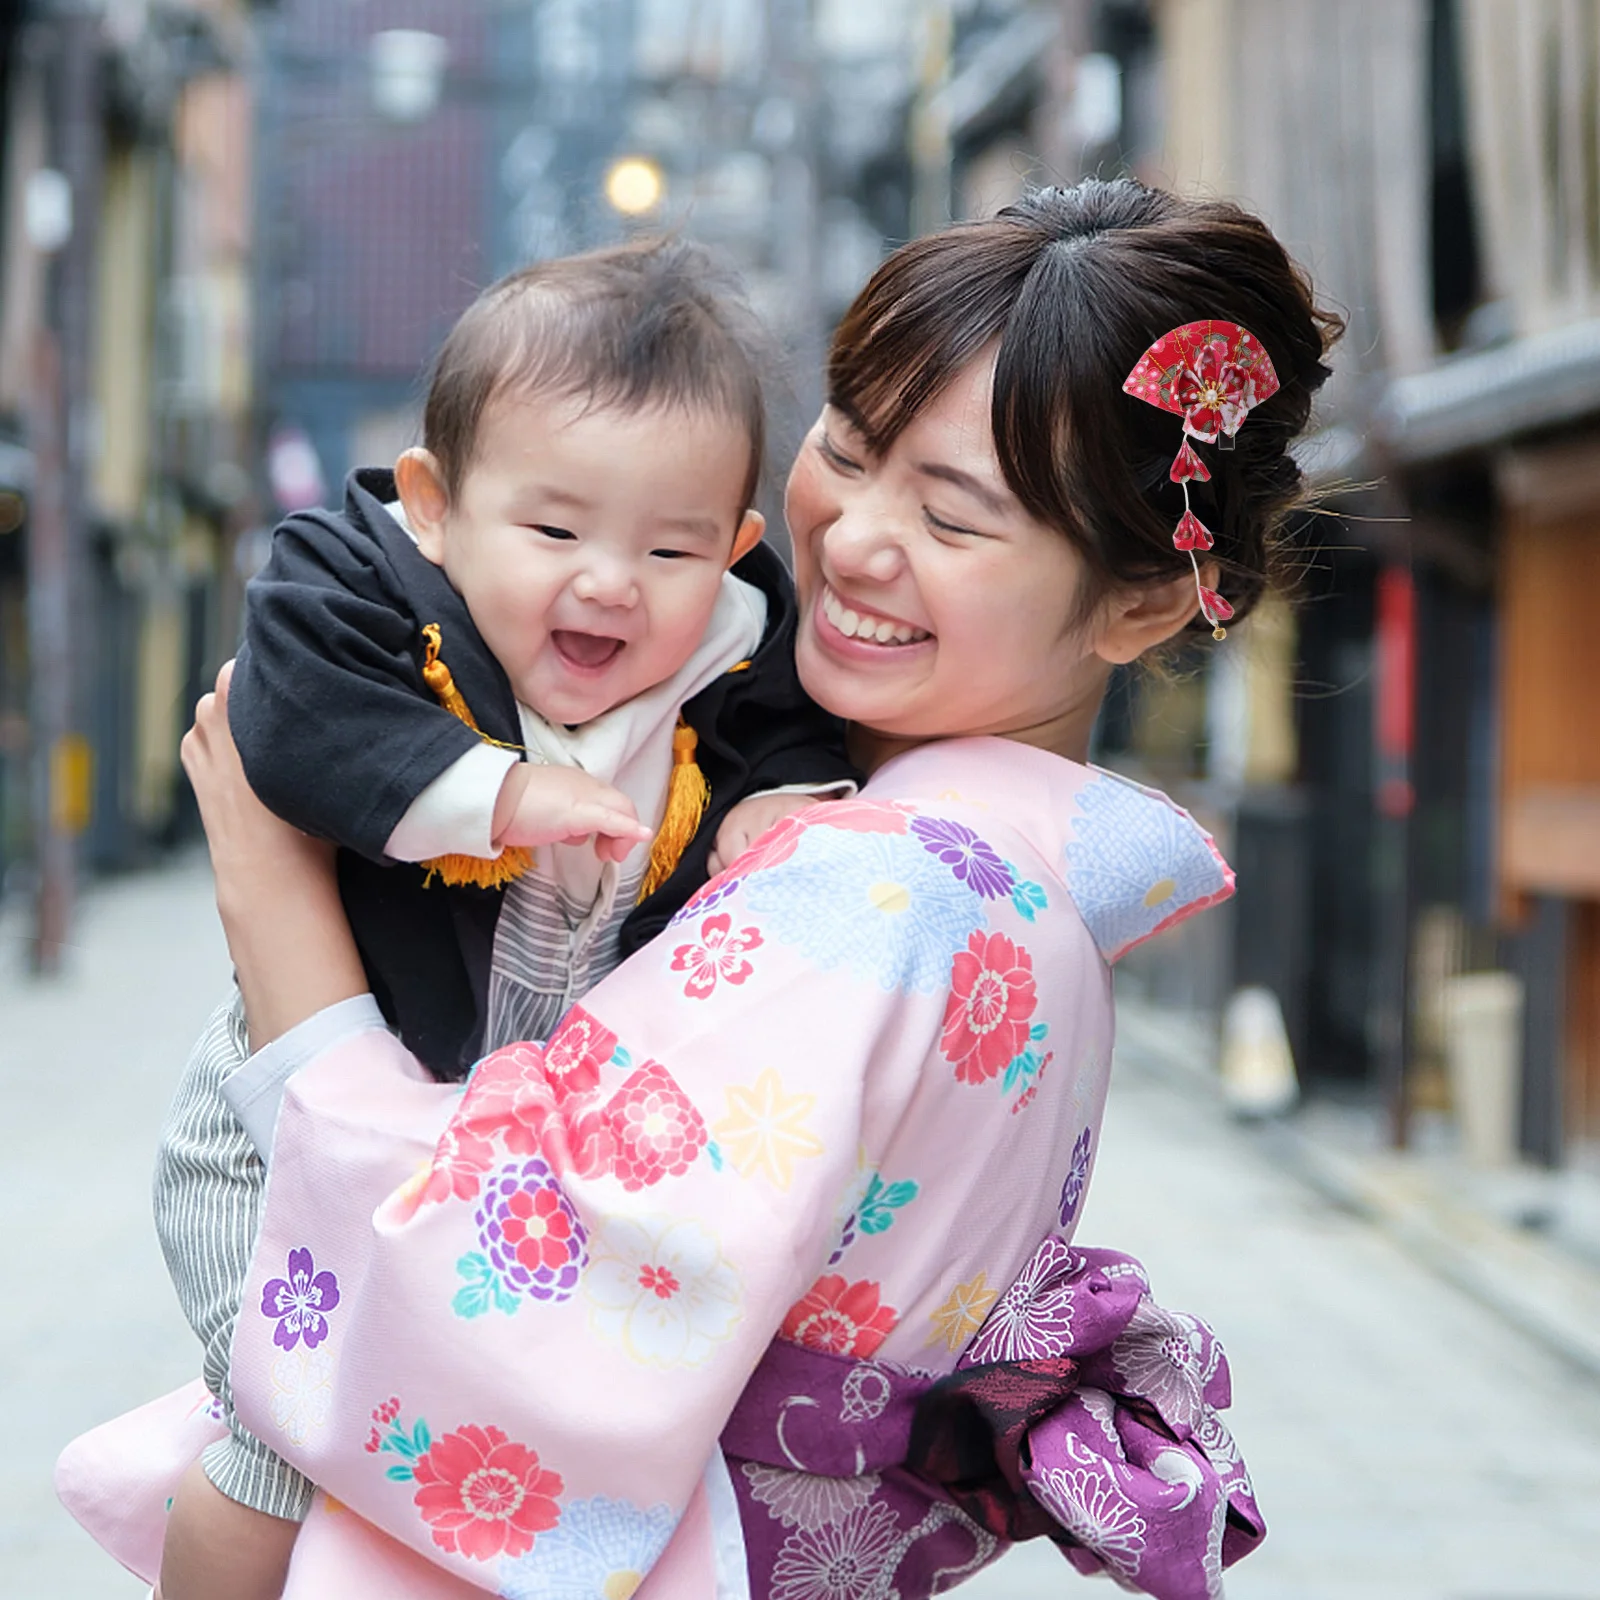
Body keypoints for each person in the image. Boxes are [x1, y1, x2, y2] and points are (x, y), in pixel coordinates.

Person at [59, 179, 1338, 1600]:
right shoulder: (1016, 882)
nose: (850, 539)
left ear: (1145, 602)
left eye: (953, 517)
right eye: (847, 450)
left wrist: (273, 892)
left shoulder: (872, 893)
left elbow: (469, 1281)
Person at [152, 237, 858, 1600]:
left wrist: (777, 801)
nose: (611, 582)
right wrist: (502, 793)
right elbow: (288, 716)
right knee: (286, 1436)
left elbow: (793, 726)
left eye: (671, 546)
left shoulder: (734, 641)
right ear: (435, 504)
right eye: (554, 532)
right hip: (271, 1139)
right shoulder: (357, 581)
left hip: (502, 1168)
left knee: (470, 1462)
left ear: (734, 549)